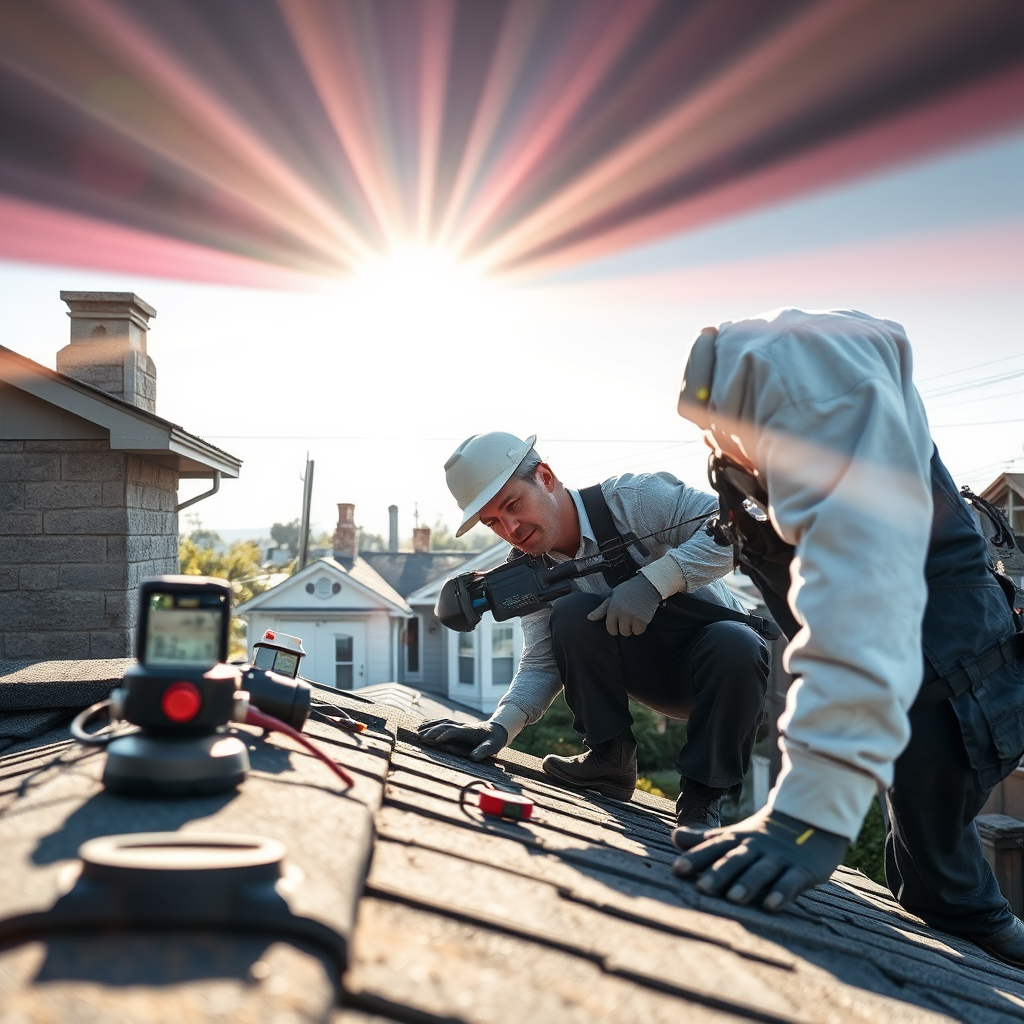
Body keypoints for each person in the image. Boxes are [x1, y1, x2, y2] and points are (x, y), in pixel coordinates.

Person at [671, 308, 1024, 965]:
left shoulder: (804, 383)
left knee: (953, 899)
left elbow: (864, 576)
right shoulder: (746, 409)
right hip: (907, 679)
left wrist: (809, 809)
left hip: (950, 680)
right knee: (923, 886)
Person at [418, 431, 771, 830]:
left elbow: (740, 527)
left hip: (717, 671)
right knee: (568, 613)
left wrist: (654, 582)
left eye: (513, 505)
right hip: (647, 675)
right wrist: (499, 727)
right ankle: (610, 760)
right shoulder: (530, 571)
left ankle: (701, 803)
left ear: (545, 477)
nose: (511, 528)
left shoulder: (635, 501)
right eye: (493, 522)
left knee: (738, 643)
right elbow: (541, 659)